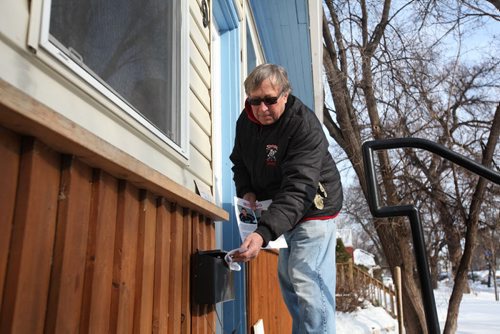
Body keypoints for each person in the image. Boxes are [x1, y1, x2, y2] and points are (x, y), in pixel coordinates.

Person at [230, 63, 343, 333]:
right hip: (282, 210)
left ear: (285, 94)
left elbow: (299, 187)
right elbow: (239, 163)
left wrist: (262, 233)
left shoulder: (302, 124)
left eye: (270, 100)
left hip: (313, 206)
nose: (262, 108)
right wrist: (247, 191)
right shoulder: (246, 121)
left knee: (309, 286)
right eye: (255, 100)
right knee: (291, 285)